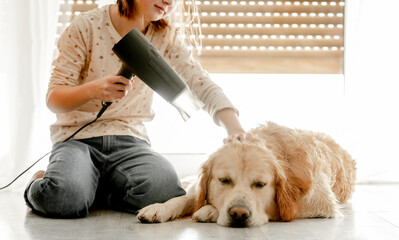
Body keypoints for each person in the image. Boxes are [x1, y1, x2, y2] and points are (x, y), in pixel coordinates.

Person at [24, 0, 246, 218]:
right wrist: (94, 90)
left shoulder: (166, 37)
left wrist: (233, 126)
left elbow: (200, 82)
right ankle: (42, 182)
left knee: (165, 189)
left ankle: (91, 191)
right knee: (63, 198)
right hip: (77, 141)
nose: (169, 2)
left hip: (130, 141)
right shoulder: (86, 26)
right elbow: (54, 98)